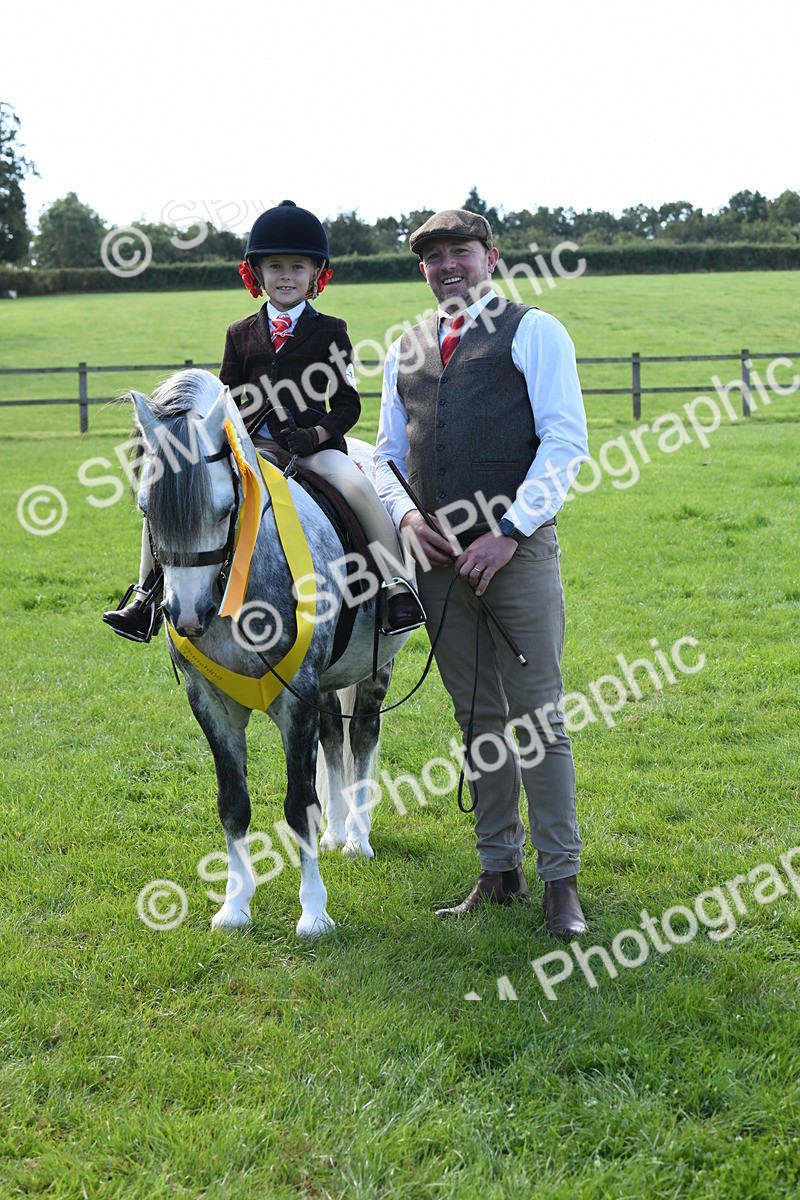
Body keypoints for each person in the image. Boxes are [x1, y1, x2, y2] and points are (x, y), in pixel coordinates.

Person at [374, 208, 590, 937]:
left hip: (516, 555)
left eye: (460, 252)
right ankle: (498, 870)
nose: (447, 267)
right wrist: (406, 518)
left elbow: (565, 441)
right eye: (433, 258)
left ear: (490, 257)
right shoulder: (403, 348)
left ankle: (562, 881)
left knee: (538, 720)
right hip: (437, 561)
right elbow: (385, 457)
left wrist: (508, 531)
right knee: (477, 722)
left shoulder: (535, 331)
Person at [103, 200, 424, 641]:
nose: (286, 276)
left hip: (312, 452)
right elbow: (223, 398)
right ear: (257, 274)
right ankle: (145, 596)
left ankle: (395, 587)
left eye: (297, 266)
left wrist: (314, 435)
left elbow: (348, 405)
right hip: (248, 448)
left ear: (316, 275)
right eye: (275, 266)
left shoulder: (332, 329)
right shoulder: (239, 333)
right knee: (171, 488)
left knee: (358, 487)